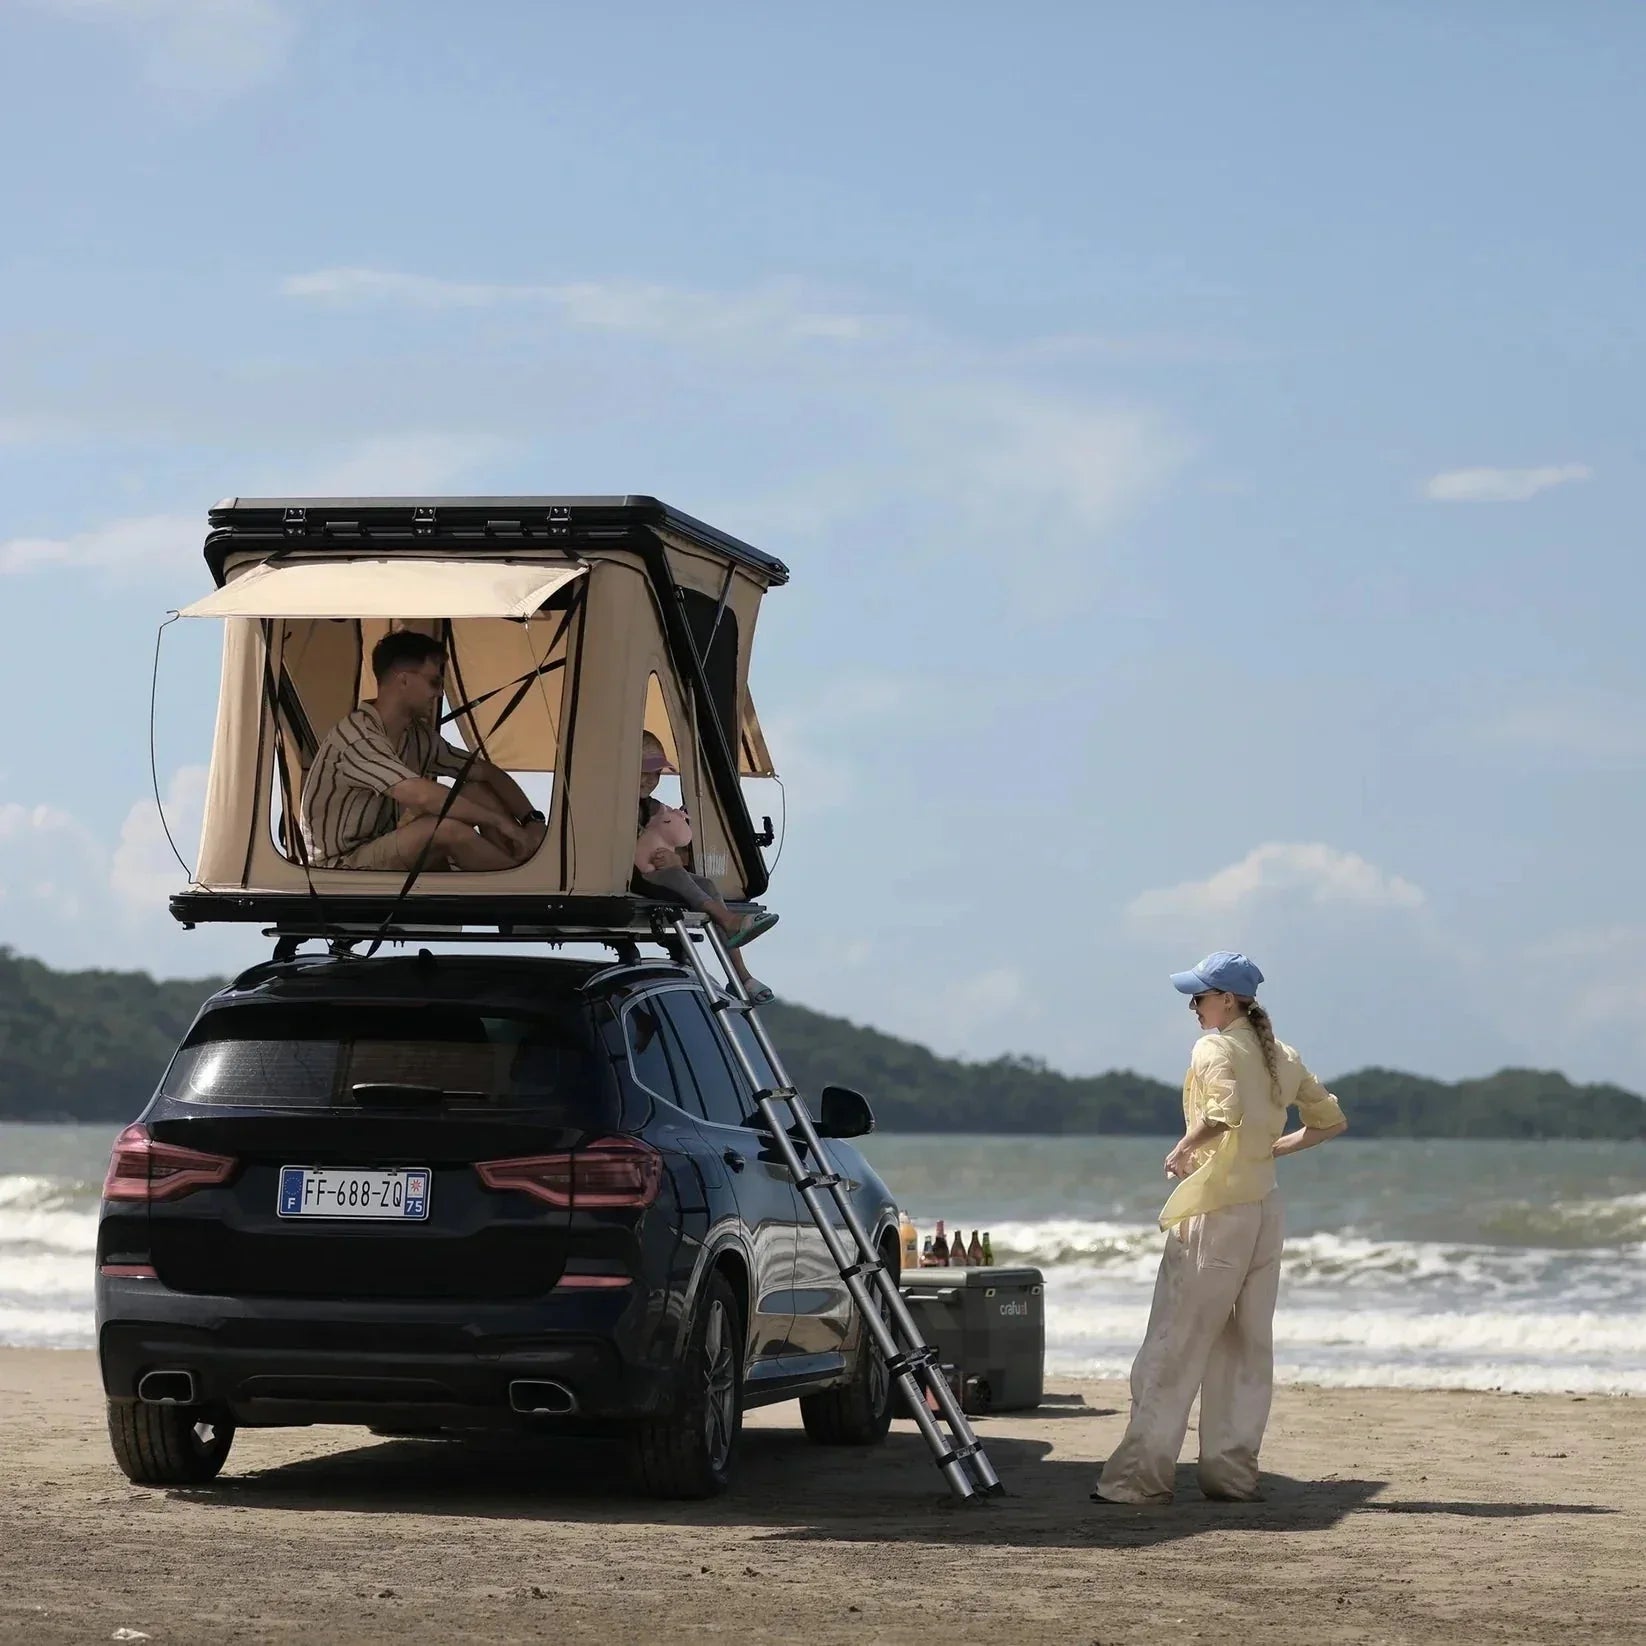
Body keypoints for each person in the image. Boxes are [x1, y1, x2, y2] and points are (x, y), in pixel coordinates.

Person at [1093, 951, 1348, 1506]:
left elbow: (1223, 1113)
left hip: (1217, 1210)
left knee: (1174, 1343)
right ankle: (1230, 1477)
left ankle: (1138, 1480)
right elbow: (1329, 1121)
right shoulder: (1283, 1054)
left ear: (1227, 999)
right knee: (1246, 1346)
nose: (1193, 1006)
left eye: (1200, 996)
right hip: (1264, 1208)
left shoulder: (1214, 1046)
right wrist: (1273, 1149)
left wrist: (1183, 1148)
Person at [299, 630, 547, 872]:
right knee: (445, 830)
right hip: (338, 867)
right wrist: (501, 823)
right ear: (403, 679)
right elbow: (422, 795)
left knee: (475, 790)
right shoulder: (357, 736)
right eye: (434, 682)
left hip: (380, 848)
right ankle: (526, 882)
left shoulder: (417, 735)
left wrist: (531, 820)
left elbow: (485, 773)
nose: (439, 693)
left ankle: (519, 864)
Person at [633, 731, 778, 1004]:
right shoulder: (610, 806)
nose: (648, 780)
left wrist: (678, 857)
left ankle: (742, 976)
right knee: (677, 874)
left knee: (707, 884)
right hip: (629, 877)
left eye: (654, 773)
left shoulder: (653, 809)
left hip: (656, 874)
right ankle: (728, 920)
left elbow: (675, 840)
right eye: (642, 771)